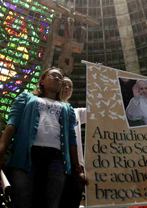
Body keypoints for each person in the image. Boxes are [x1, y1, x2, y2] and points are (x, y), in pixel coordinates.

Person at [0, 67, 87, 208]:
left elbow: (72, 140)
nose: (57, 79)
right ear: (42, 80)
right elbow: (12, 125)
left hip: (57, 161)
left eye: (60, 78)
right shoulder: (26, 98)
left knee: (51, 203)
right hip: (26, 157)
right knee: (22, 201)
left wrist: (77, 170)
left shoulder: (68, 109)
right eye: (53, 75)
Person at [59, 76, 87, 208]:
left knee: (73, 201)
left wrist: (98, 76)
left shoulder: (76, 112)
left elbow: (99, 111)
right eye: (64, 84)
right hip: (55, 163)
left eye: (70, 86)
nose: (67, 88)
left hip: (76, 167)